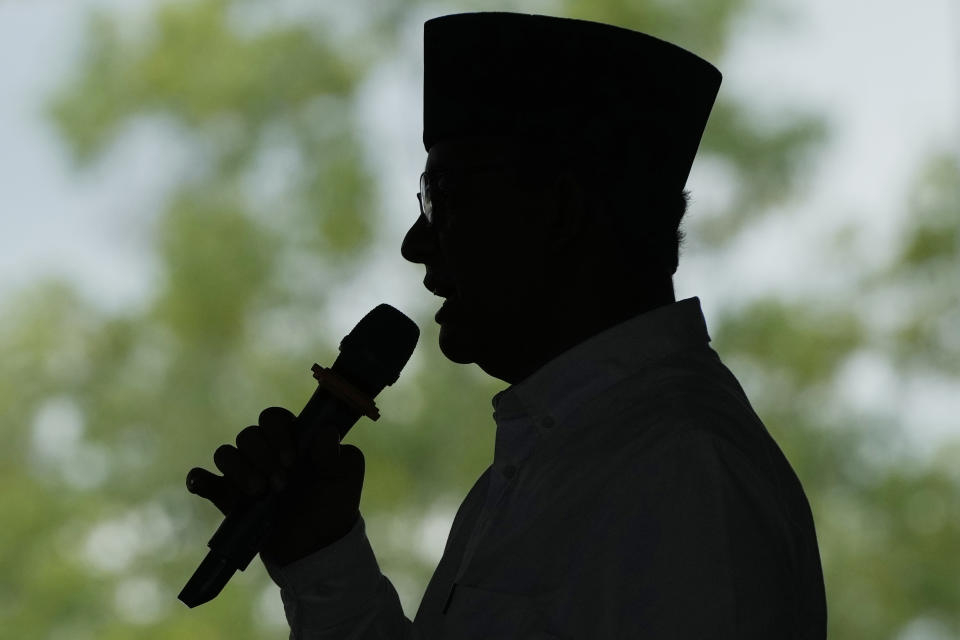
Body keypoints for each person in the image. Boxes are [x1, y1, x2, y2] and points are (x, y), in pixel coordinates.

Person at [187, 11, 827, 638]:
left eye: (448, 198)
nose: (416, 243)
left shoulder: (682, 470)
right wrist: (319, 551)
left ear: (560, 212)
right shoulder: (559, 454)